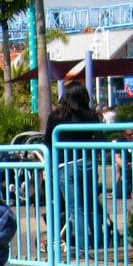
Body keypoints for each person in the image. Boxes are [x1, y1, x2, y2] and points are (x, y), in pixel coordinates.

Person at [45, 82, 109, 256]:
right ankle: (97, 240)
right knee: (90, 204)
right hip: (87, 163)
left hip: (65, 164)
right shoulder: (90, 116)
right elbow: (101, 139)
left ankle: (82, 247)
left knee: (75, 207)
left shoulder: (57, 116)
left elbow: (47, 142)